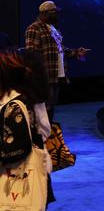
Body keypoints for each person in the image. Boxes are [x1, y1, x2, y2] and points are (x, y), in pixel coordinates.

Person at [0, 50, 50, 209]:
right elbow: (44, 130)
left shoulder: (14, 104)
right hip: (31, 171)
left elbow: (19, 147)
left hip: (18, 175)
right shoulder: (27, 97)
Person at [25, 1, 90, 120]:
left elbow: (61, 50)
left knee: (51, 107)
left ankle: (50, 135)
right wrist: (37, 77)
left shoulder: (54, 29)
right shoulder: (34, 28)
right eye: (53, 12)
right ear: (44, 13)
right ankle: (42, 136)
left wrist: (76, 52)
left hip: (57, 75)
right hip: (45, 77)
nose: (56, 15)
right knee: (43, 109)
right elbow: (31, 54)